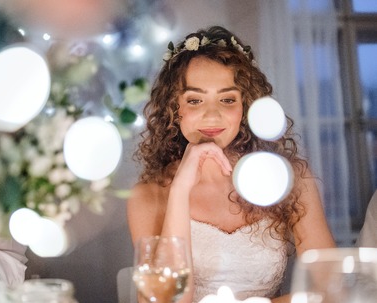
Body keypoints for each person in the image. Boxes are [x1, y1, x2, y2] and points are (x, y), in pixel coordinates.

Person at [127, 25, 336, 303]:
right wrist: (180, 191)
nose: (212, 115)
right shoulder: (147, 195)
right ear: (174, 110)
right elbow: (165, 301)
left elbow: (330, 288)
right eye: (195, 100)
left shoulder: (292, 178)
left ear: (245, 108)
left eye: (227, 99)